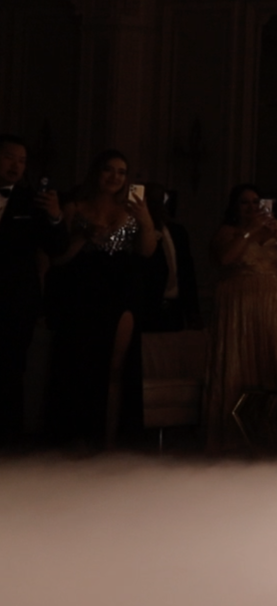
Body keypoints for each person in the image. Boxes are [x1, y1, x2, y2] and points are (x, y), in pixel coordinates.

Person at [44, 150, 158, 448]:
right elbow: (58, 259)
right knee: (79, 365)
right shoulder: (74, 208)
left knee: (116, 368)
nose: (115, 177)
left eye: (121, 172)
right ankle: (77, 437)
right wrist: (85, 236)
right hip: (82, 292)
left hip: (122, 290)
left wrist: (145, 220)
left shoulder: (133, 212)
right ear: (97, 172)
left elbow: (146, 252)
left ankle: (110, 442)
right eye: (109, 170)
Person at [206, 184, 277, 454]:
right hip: (241, 308)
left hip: (273, 307)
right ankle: (234, 435)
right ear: (235, 207)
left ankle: (271, 432)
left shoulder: (275, 233)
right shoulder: (228, 232)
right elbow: (225, 258)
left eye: (256, 202)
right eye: (245, 203)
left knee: (272, 365)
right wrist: (249, 232)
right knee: (240, 365)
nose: (251, 207)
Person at [0, 134, 63, 447]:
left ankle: (10, 443)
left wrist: (54, 217)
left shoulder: (30, 201)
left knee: (11, 372)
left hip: (15, 301)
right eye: (10, 157)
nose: (16, 165)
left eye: (22, 160)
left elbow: (55, 247)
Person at [137, 185, 200, 333]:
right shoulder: (137, 232)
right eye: (154, 201)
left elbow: (187, 271)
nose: (161, 206)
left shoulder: (177, 232)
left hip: (175, 308)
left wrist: (193, 311)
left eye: (163, 201)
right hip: (147, 307)